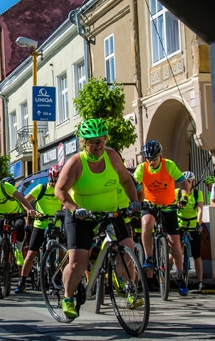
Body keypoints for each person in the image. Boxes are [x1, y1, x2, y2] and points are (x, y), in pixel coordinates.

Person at [54, 119, 142, 319]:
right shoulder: (76, 162)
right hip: (81, 216)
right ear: (84, 142)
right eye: (92, 142)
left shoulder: (112, 157)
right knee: (78, 262)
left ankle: (126, 288)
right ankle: (67, 297)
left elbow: (127, 180)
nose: (98, 146)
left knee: (128, 250)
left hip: (110, 212)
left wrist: (134, 201)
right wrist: (75, 209)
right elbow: (59, 189)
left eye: (101, 140)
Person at [134, 139, 192, 297]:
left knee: (175, 243)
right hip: (150, 204)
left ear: (160, 156)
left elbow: (184, 184)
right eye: (148, 159)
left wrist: (184, 198)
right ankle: (149, 257)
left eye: (153, 158)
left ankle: (180, 276)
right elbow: (133, 184)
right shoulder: (142, 168)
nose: (151, 162)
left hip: (169, 205)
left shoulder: (169, 165)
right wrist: (135, 201)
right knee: (146, 223)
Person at [0, 165, 36, 284]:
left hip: (14, 213)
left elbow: (22, 199)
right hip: (0, 215)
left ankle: (18, 251)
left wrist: (30, 209)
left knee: (20, 225)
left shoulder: (6, 187)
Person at [15, 164, 63, 293]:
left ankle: (60, 281)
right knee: (31, 253)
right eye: (53, 181)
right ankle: (22, 282)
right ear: (49, 179)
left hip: (57, 224)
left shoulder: (64, 189)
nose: (55, 184)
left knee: (64, 254)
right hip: (40, 224)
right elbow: (24, 201)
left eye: (58, 181)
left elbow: (67, 203)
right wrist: (30, 211)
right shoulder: (41, 188)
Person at [176, 171, 205, 291]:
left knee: (197, 255)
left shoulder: (198, 194)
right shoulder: (177, 193)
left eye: (189, 181)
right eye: (185, 182)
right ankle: (167, 276)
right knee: (174, 252)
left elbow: (200, 209)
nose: (187, 183)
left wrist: (199, 223)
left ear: (193, 182)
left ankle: (200, 281)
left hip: (193, 225)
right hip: (180, 224)